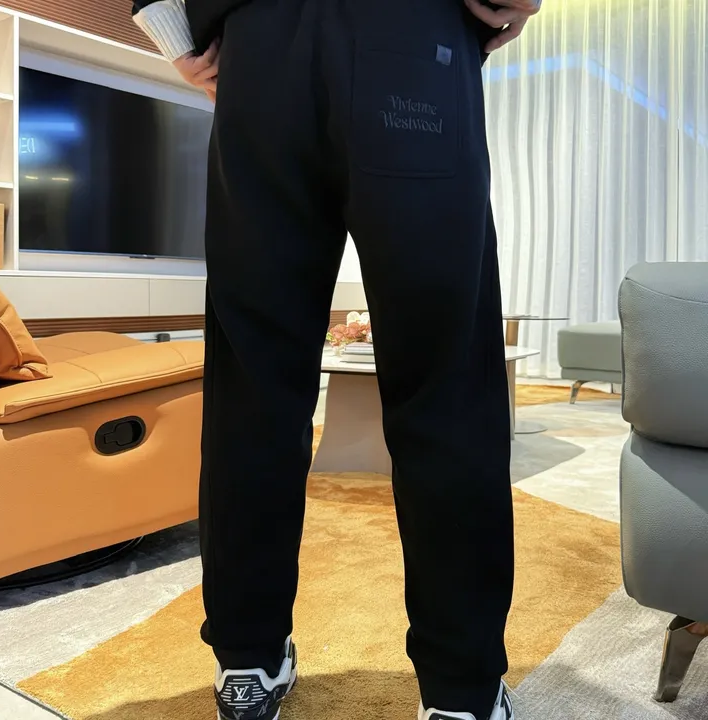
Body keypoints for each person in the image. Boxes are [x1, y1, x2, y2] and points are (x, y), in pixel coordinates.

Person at [132, 1, 540, 719]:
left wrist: (170, 25)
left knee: (254, 388)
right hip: (411, 37)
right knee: (446, 386)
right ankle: (462, 693)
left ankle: (248, 659)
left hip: (259, 50)